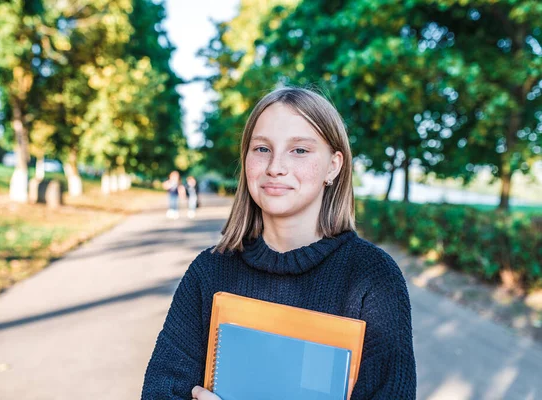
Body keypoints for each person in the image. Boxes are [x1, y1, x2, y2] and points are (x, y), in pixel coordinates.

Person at [142, 87, 417, 399]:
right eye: (262, 149)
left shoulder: (373, 277)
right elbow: (160, 390)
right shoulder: (209, 270)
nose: (275, 166)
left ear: (333, 166)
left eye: (299, 150)